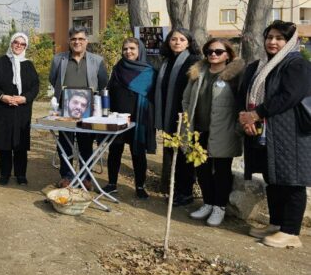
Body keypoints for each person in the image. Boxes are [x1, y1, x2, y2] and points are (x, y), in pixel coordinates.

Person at [238, 20, 311, 248]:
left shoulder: (296, 64)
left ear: (290, 41)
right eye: (269, 37)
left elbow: (289, 96)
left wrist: (256, 114)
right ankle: (277, 224)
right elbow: (247, 93)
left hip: (291, 134)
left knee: (292, 180)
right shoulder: (263, 65)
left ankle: (290, 232)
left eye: (279, 38)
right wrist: (248, 117)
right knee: (273, 178)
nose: (272, 42)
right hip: (266, 132)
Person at [181, 38, 243, 226]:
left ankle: (219, 207)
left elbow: (241, 103)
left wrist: (238, 128)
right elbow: (186, 99)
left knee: (222, 171)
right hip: (198, 130)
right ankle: (208, 202)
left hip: (224, 131)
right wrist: (186, 121)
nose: (213, 55)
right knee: (202, 169)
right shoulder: (198, 73)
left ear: (228, 54)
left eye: (218, 51)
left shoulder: (235, 76)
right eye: (209, 51)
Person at [48, 26, 108, 189]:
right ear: (69, 41)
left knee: (85, 144)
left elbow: (103, 83)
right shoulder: (58, 59)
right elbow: (53, 80)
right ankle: (66, 176)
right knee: (65, 143)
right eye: (74, 39)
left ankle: (85, 177)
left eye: (81, 39)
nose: (77, 42)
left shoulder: (97, 60)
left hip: (88, 111)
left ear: (86, 41)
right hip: (65, 111)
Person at [104, 38, 156, 199]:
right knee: (115, 151)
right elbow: (110, 89)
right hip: (118, 116)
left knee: (138, 153)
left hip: (139, 118)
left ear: (139, 50)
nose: (128, 52)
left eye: (132, 48)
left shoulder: (149, 71)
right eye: (125, 48)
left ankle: (140, 186)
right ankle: (112, 183)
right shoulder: (118, 68)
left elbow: (153, 96)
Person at [155, 28, 200, 206]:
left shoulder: (193, 61)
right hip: (169, 114)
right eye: (174, 39)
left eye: (182, 39)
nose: (177, 42)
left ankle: (185, 193)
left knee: (184, 155)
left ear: (188, 42)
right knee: (172, 153)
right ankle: (175, 190)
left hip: (184, 116)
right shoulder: (167, 61)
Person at [0, 32, 39, 186]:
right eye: (16, 42)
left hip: (22, 109)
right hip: (3, 107)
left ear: (26, 46)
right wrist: (3, 96)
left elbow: (35, 87)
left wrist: (24, 98)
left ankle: (20, 174)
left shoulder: (29, 65)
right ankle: (5, 173)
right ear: (11, 43)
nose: (18, 46)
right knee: (4, 142)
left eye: (22, 44)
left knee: (20, 142)